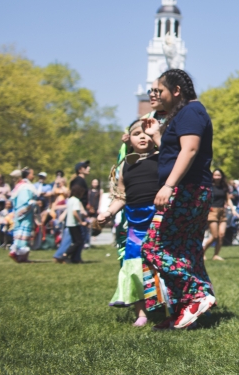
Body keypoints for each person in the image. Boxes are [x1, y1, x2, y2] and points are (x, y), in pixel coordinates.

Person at [141, 68, 216, 330]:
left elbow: (191, 149)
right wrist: (158, 137)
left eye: (159, 90)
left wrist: (169, 185)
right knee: (186, 251)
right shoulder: (183, 114)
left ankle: (197, 295)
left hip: (187, 190)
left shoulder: (190, 112)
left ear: (176, 91)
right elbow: (176, 151)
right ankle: (190, 308)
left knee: (153, 247)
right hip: (189, 189)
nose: (155, 95)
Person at [97, 118, 160, 325]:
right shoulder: (125, 165)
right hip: (135, 222)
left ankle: (170, 307)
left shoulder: (163, 158)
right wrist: (108, 213)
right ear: (128, 140)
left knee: (161, 264)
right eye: (136, 134)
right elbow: (120, 196)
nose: (142, 136)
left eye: (146, 132)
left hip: (159, 218)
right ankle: (141, 313)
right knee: (133, 266)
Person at [8, 168, 41, 263]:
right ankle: (19, 255)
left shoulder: (19, 186)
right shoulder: (26, 187)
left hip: (18, 214)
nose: (34, 176)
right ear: (27, 175)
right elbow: (26, 202)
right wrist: (36, 202)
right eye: (32, 174)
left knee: (19, 233)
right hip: (25, 214)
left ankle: (19, 255)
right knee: (24, 234)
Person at [203, 169, 228, 262]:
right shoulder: (209, 186)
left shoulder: (224, 187)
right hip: (212, 211)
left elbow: (227, 199)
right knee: (215, 235)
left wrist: (233, 209)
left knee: (221, 235)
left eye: (219, 175)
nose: (217, 177)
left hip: (222, 211)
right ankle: (202, 252)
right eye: (215, 175)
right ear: (212, 176)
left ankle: (216, 255)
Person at [62, 182, 88, 263]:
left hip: (69, 223)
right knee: (78, 242)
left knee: (75, 241)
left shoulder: (70, 200)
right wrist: (81, 222)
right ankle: (65, 254)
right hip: (74, 224)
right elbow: (75, 212)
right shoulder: (76, 200)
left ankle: (74, 258)